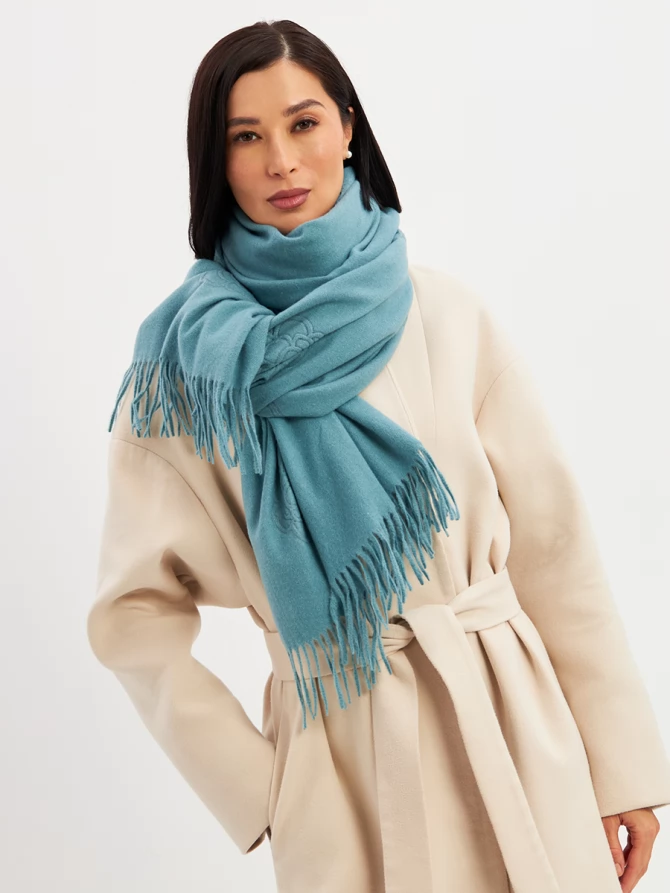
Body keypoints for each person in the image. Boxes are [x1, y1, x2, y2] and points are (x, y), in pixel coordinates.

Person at [86, 19, 670, 893]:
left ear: (348, 128)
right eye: (245, 137)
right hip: (345, 770)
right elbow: (131, 615)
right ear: (215, 160)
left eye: (303, 123)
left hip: (514, 731)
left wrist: (619, 763)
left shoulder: (446, 314)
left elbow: (556, 549)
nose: (282, 160)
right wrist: (259, 784)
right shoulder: (187, 375)